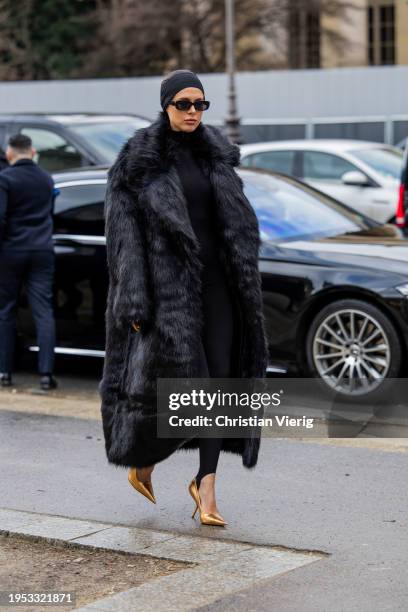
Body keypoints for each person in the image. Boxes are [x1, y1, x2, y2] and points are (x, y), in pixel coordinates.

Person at [100, 69, 268, 526]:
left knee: (220, 388)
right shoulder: (139, 161)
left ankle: (206, 488)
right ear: (166, 106)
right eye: (184, 104)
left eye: (200, 104)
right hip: (170, 295)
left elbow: (233, 226)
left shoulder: (217, 156)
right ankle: (147, 459)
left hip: (220, 290)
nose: (193, 112)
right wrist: (132, 300)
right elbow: (123, 240)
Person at [0, 134, 57, 390]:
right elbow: (50, 213)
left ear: (10, 154)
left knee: (6, 311)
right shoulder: (47, 178)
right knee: (43, 311)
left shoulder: (5, 179)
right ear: (32, 151)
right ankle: (46, 375)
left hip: (12, 250)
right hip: (43, 250)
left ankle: (4, 372)